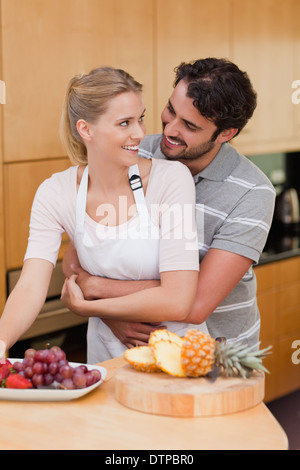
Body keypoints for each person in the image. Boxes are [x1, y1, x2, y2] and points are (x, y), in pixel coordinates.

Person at [63, 58, 276, 350]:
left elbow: (195, 302)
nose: (170, 130)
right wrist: (113, 318)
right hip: (133, 350)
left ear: (226, 134)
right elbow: (79, 258)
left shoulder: (252, 192)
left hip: (214, 355)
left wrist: (96, 288)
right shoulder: (135, 150)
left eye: (189, 125)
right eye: (170, 110)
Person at [0, 66, 206, 363]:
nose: (139, 133)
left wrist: (91, 307)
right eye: (125, 123)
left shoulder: (171, 180)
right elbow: (31, 285)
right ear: (86, 129)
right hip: (107, 360)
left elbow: (178, 300)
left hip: (180, 356)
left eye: (141, 118)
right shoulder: (56, 192)